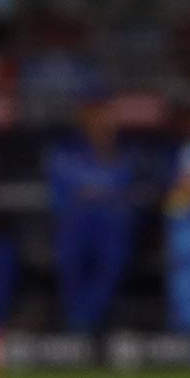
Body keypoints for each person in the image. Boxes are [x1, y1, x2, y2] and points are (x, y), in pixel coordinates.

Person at [46, 93, 137, 330]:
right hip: (76, 225)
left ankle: (88, 322)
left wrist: (95, 193)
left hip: (110, 227)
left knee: (114, 252)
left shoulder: (123, 155)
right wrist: (97, 193)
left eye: (106, 120)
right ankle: (77, 324)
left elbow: (123, 191)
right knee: (71, 251)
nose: (101, 125)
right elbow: (69, 193)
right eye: (95, 119)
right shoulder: (66, 152)